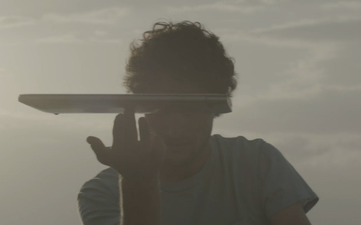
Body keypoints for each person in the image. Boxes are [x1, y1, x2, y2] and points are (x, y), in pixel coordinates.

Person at [78, 21, 319, 225]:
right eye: (161, 109)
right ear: (141, 107)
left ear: (215, 107)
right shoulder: (103, 192)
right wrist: (136, 179)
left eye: (189, 109)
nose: (174, 128)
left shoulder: (256, 162)